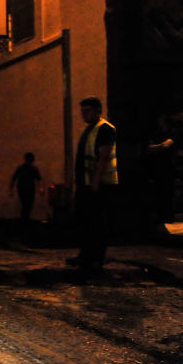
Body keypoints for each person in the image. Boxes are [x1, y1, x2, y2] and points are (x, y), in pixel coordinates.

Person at [68, 97, 118, 270]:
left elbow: (103, 157)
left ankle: (96, 257)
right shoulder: (90, 129)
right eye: (82, 111)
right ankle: (85, 255)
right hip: (87, 183)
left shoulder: (104, 129)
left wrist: (96, 182)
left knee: (96, 221)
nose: (84, 114)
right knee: (84, 220)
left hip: (99, 184)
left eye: (87, 111)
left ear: (98, 111)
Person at [9, 152, 44, 222]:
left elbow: (13, 178)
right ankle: (25, 219)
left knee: (24, 204)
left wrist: (11, 190)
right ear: (33, 160)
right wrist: (41, 188)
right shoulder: (34, 168)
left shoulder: (21, 168)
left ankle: (24, 219)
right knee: (28, 204)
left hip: (21, 188)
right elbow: (39, 179)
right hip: (30, 188)